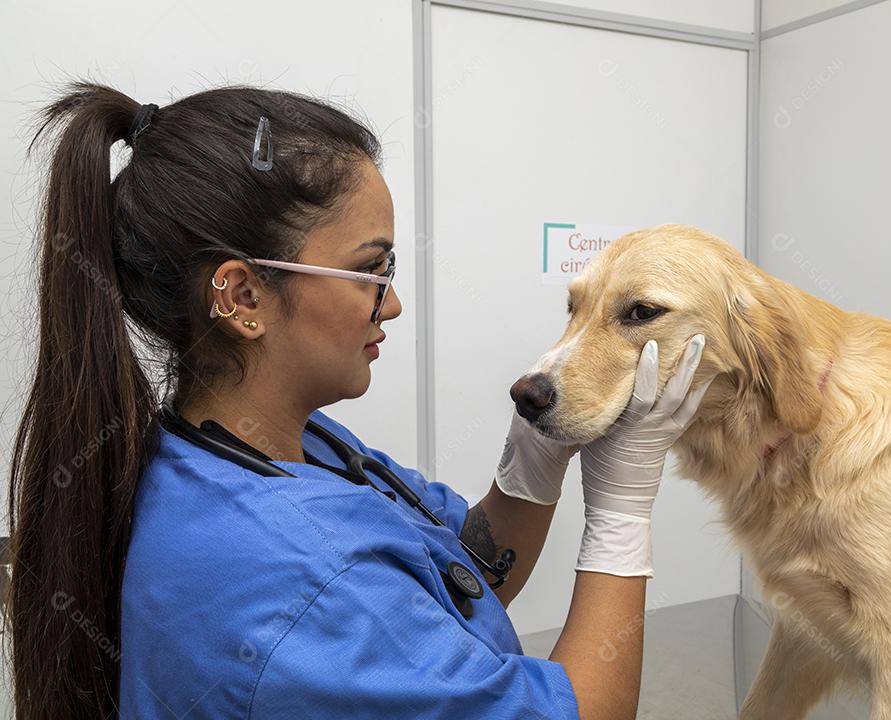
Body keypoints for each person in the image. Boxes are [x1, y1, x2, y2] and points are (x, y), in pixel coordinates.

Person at [7, 82, 716, 720]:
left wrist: (539, 452)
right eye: (370, 270)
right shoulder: (295, 576)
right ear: (243, 296)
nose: (395, 302)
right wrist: (620, 513)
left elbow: (464, 573)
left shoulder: (277, 451)